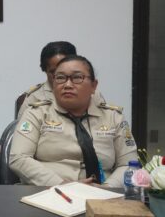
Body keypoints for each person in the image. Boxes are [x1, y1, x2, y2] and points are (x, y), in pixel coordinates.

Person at [9, 55, 138, 187]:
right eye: (60, 78)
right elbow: (19, 158)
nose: (68, 85)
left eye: (77, 78)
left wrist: (107, 188)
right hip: (49, 191)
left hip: (103, 194)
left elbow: (129, 164)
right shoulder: (36, 113)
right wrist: (62, 185)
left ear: (94, 86)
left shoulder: (113, 117)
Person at [17, 41, 105, 118]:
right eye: (54, 72)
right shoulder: (34, 98)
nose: (60, 76)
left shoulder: (92, 94)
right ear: (44, 69)